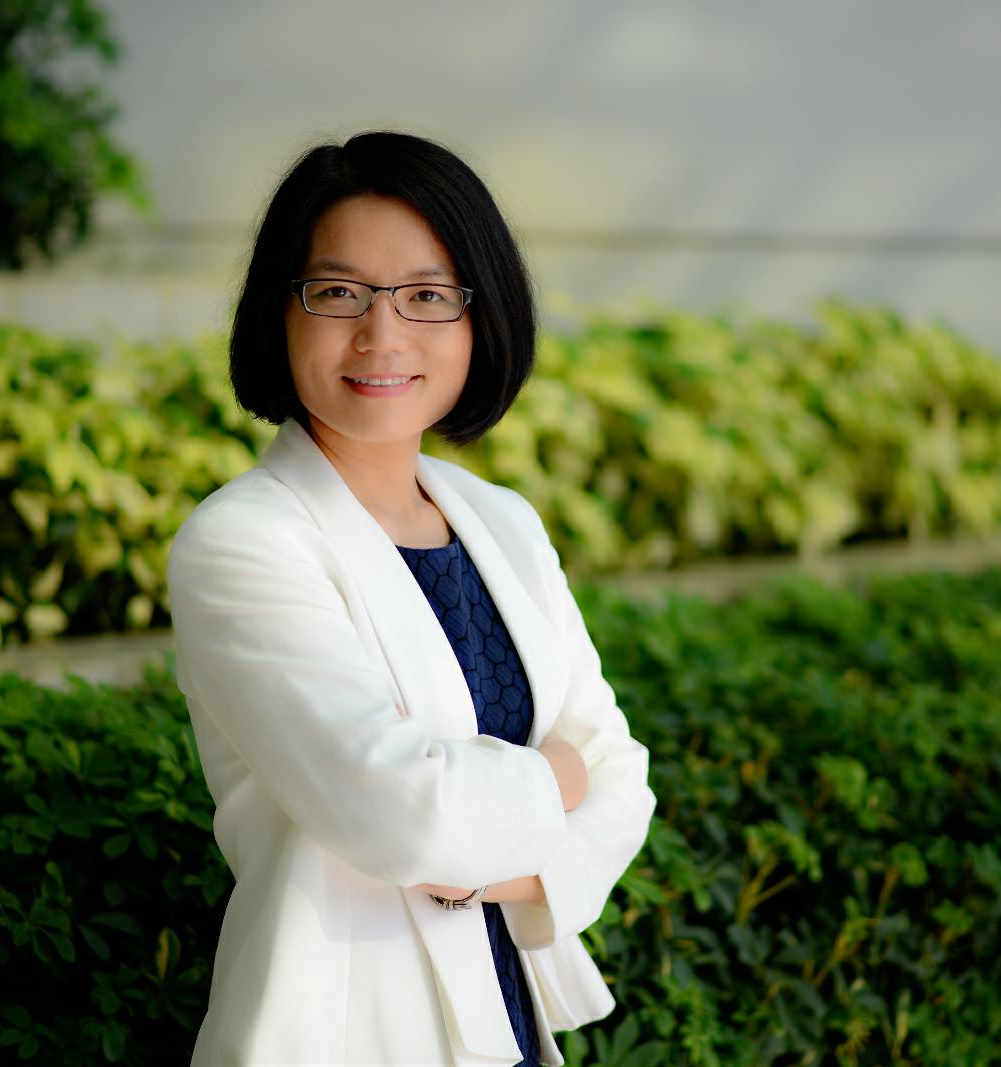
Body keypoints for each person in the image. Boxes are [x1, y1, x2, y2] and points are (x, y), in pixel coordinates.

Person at [166, 130, 657, 1066]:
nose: (381, 334)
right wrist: (554, 780)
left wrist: (485, 873)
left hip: (508, 1022)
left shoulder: (502, 521)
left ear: (481, 316)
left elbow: (621, 775)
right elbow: (403, 810)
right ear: (280, 310)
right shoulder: (243, 542)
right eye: (338, 292)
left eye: (427, 295)